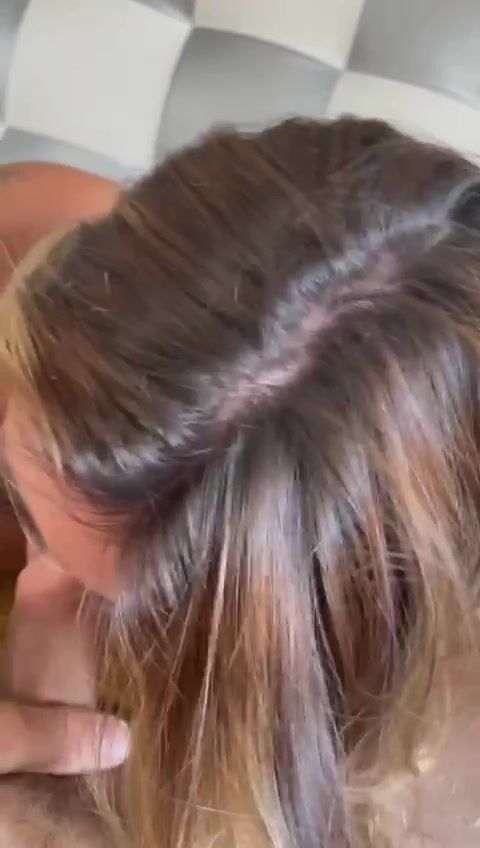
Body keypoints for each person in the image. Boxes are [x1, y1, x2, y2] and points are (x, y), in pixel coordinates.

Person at [1, 115, 480, 847]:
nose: (40, 589)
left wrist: (47, 804)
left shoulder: (422, 785)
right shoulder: (42, 239)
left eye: (123, 605)